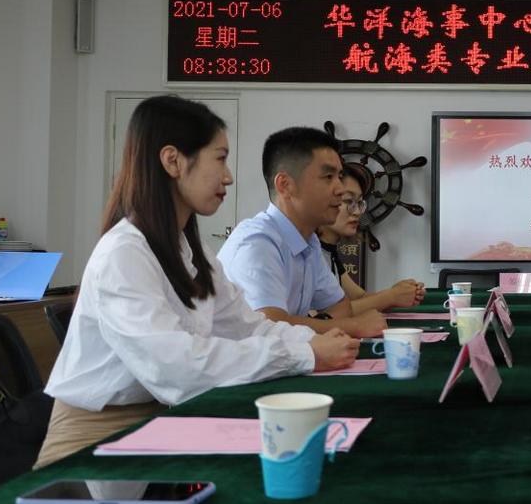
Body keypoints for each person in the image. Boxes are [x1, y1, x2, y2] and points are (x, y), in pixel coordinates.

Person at [36, 97, 358, 468]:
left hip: (165, 415)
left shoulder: (190, 249)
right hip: (95, 435)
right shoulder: (124, 253)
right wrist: (304, 354)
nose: (229, 176)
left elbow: (246, 327)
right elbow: (175, 366)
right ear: (173, 161)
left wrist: (312, 341)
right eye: (220, 159)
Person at [219, 127, 387, 339]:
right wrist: (351, 326)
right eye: (328, 177)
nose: (339, 189)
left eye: (339, 176)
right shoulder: (256, 243)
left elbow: (340, 308)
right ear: (285, 185)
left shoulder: (309, 242)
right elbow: (269, 326)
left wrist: (322, 323)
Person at [317, 162, 426, 312]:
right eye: (348, 201)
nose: (357, 212)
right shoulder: (309, 252)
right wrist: (391, 296)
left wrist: (397, 293)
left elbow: (359, 297)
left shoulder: (328, 252)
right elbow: (327, 314)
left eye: (359, 203)